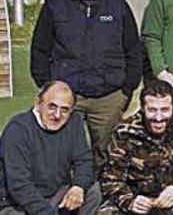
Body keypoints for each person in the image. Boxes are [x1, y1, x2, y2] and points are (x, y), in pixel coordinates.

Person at [31, 0, 144, 164]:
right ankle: (66, 196)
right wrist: (48, 87)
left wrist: (126, 89)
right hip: (67, 96)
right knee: (64, 154)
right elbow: (40, 50)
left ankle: (103, 197)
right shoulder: (55, 5)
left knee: (107, 156)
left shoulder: (117, 5)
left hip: (109, 97)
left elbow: (133, 49)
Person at [100, 80, 173, 215]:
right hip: (139, 197)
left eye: (164, 110)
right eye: (152, 110)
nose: (158, 118)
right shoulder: (125, 132)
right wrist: (129, 201)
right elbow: (111, 178)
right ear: (142, 108)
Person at [0, 82, 102, 215]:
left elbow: (84, 159)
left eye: (64, 110)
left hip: (53, 194)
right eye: (52, 107)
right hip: (17, 203)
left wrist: (79, 186)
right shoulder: (18, 129)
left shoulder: (74, 122)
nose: (57, 115)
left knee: (92, 191)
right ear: (38, 103)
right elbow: (19, 184)